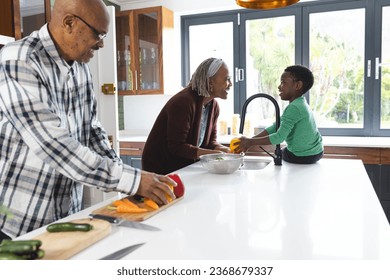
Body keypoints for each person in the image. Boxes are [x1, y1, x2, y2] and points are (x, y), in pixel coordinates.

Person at [0, 0, 175, 241]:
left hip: (66, 217)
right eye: (99, 34)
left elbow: (91, 131)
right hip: (18, 222)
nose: (102, 43)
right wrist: (131, 180)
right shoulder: (19, 60)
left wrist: (122, 175)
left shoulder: (80, 67)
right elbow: (54, 146)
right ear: (69, 23)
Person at [142, 58, 232, 175]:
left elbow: (210, 143)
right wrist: (212, 154)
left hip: (181, 170)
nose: (230, 84)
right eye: (227, 79)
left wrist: (226, 150)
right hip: (160, 172)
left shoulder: (213, 106)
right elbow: (177, 147)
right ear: (210, 81)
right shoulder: (183, 102)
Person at [235, 65, 323, 164]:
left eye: (283, 83)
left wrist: (250, 142)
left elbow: (279, 137)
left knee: (284, 152)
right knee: (285, 150)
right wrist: (250, 141)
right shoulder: (300, 103)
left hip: (303, 156)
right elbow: (275, 126)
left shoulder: (294, 108)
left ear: (297, 85)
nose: (279, 86)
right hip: (316, 151)